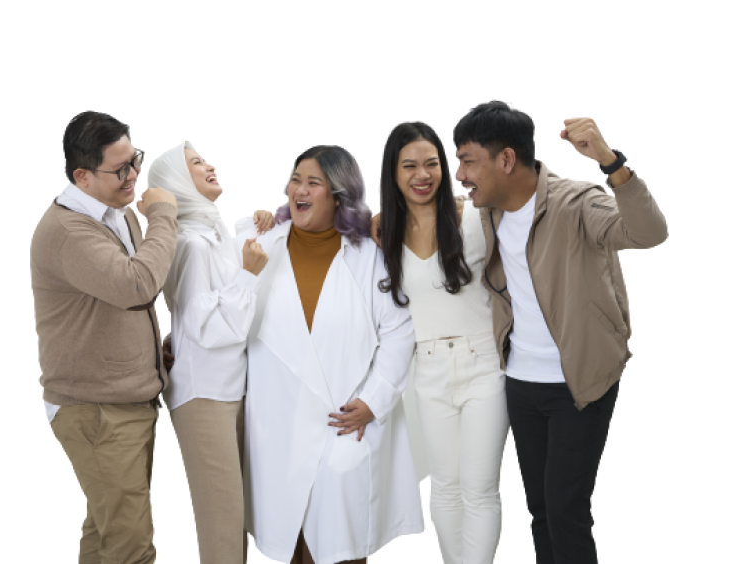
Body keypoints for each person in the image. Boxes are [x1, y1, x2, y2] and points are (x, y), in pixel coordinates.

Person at [452, 101, 668, 564]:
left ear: (506, 159)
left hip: (579, 382)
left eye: (467, 161)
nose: (460, 173)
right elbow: (424, 210)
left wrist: (610, 162)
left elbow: (649, 233)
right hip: (521, 381)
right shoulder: (488, 210)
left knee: (566, 512)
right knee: (541, 510)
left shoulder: (577, 202)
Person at [235, 145, 426, 564]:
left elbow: (399, 332)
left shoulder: (371, 255)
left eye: (313, 183)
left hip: (343, 423)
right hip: (278, 424)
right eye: (295, 180)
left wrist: (373, 401)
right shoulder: (259, 244)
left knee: (342, 542)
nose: (299, 190)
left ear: (339, 195)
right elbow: (227, 309)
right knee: (289, 537)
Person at [32, 111, 179, 564]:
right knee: (132, 548)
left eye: (135, 160)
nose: (134, 174)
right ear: (82, 176)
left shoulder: (116, 212)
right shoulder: (68, 231)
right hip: (97, 410)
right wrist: (163, 215)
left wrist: (155, 350)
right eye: (120, 169)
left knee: (104, 535)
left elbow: (120, 305)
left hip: (122, 404)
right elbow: (137, 286)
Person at [369, 120, 510, 564]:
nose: (422, 174)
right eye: (409, 166)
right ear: (393, 173)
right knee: (444, 486)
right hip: (427, 371)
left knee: (480, 488)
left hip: (484, 364)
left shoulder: (475, 218)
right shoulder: (383, 235)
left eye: (431, 163)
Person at [146, 139, 275, 564]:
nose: (208, 166)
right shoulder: (191, 243)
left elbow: (227, 265)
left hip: (228, 389)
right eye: (195, 163)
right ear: (177, 182)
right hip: (204, 395)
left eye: (203, 158)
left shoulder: (211, 232)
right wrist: (249, 276)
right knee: (222, 525)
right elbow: (209, 328)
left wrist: (259, 222)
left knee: (237, 519)